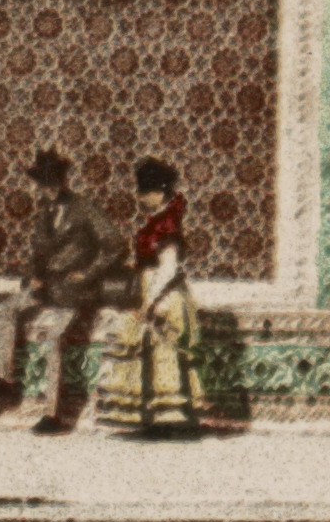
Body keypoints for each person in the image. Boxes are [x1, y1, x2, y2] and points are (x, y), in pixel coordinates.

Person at [12, 142, 124, 434]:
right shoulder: (45, 214)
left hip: (76, 293)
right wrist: (31, 276)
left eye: (51, 184)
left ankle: (54, 416)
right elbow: (35, 253)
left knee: (54, 338)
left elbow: (114, 245)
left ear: (62, 181)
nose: (46, 190)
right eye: (42, 185)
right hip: (47, 288)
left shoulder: (84, 208)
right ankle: (5, 384)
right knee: (7, 312)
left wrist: (86, 274)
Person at [122, 156, 210, 438]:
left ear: (157, 192)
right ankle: (154, 417)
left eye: (144, 192)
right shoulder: (157, 221)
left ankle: (169, 418)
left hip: (164, 293)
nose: (140, 198)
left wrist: (151, 302)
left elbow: (168, 267)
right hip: (152, 288)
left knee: (165, 351)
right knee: (149, 351)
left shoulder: (166, 223)